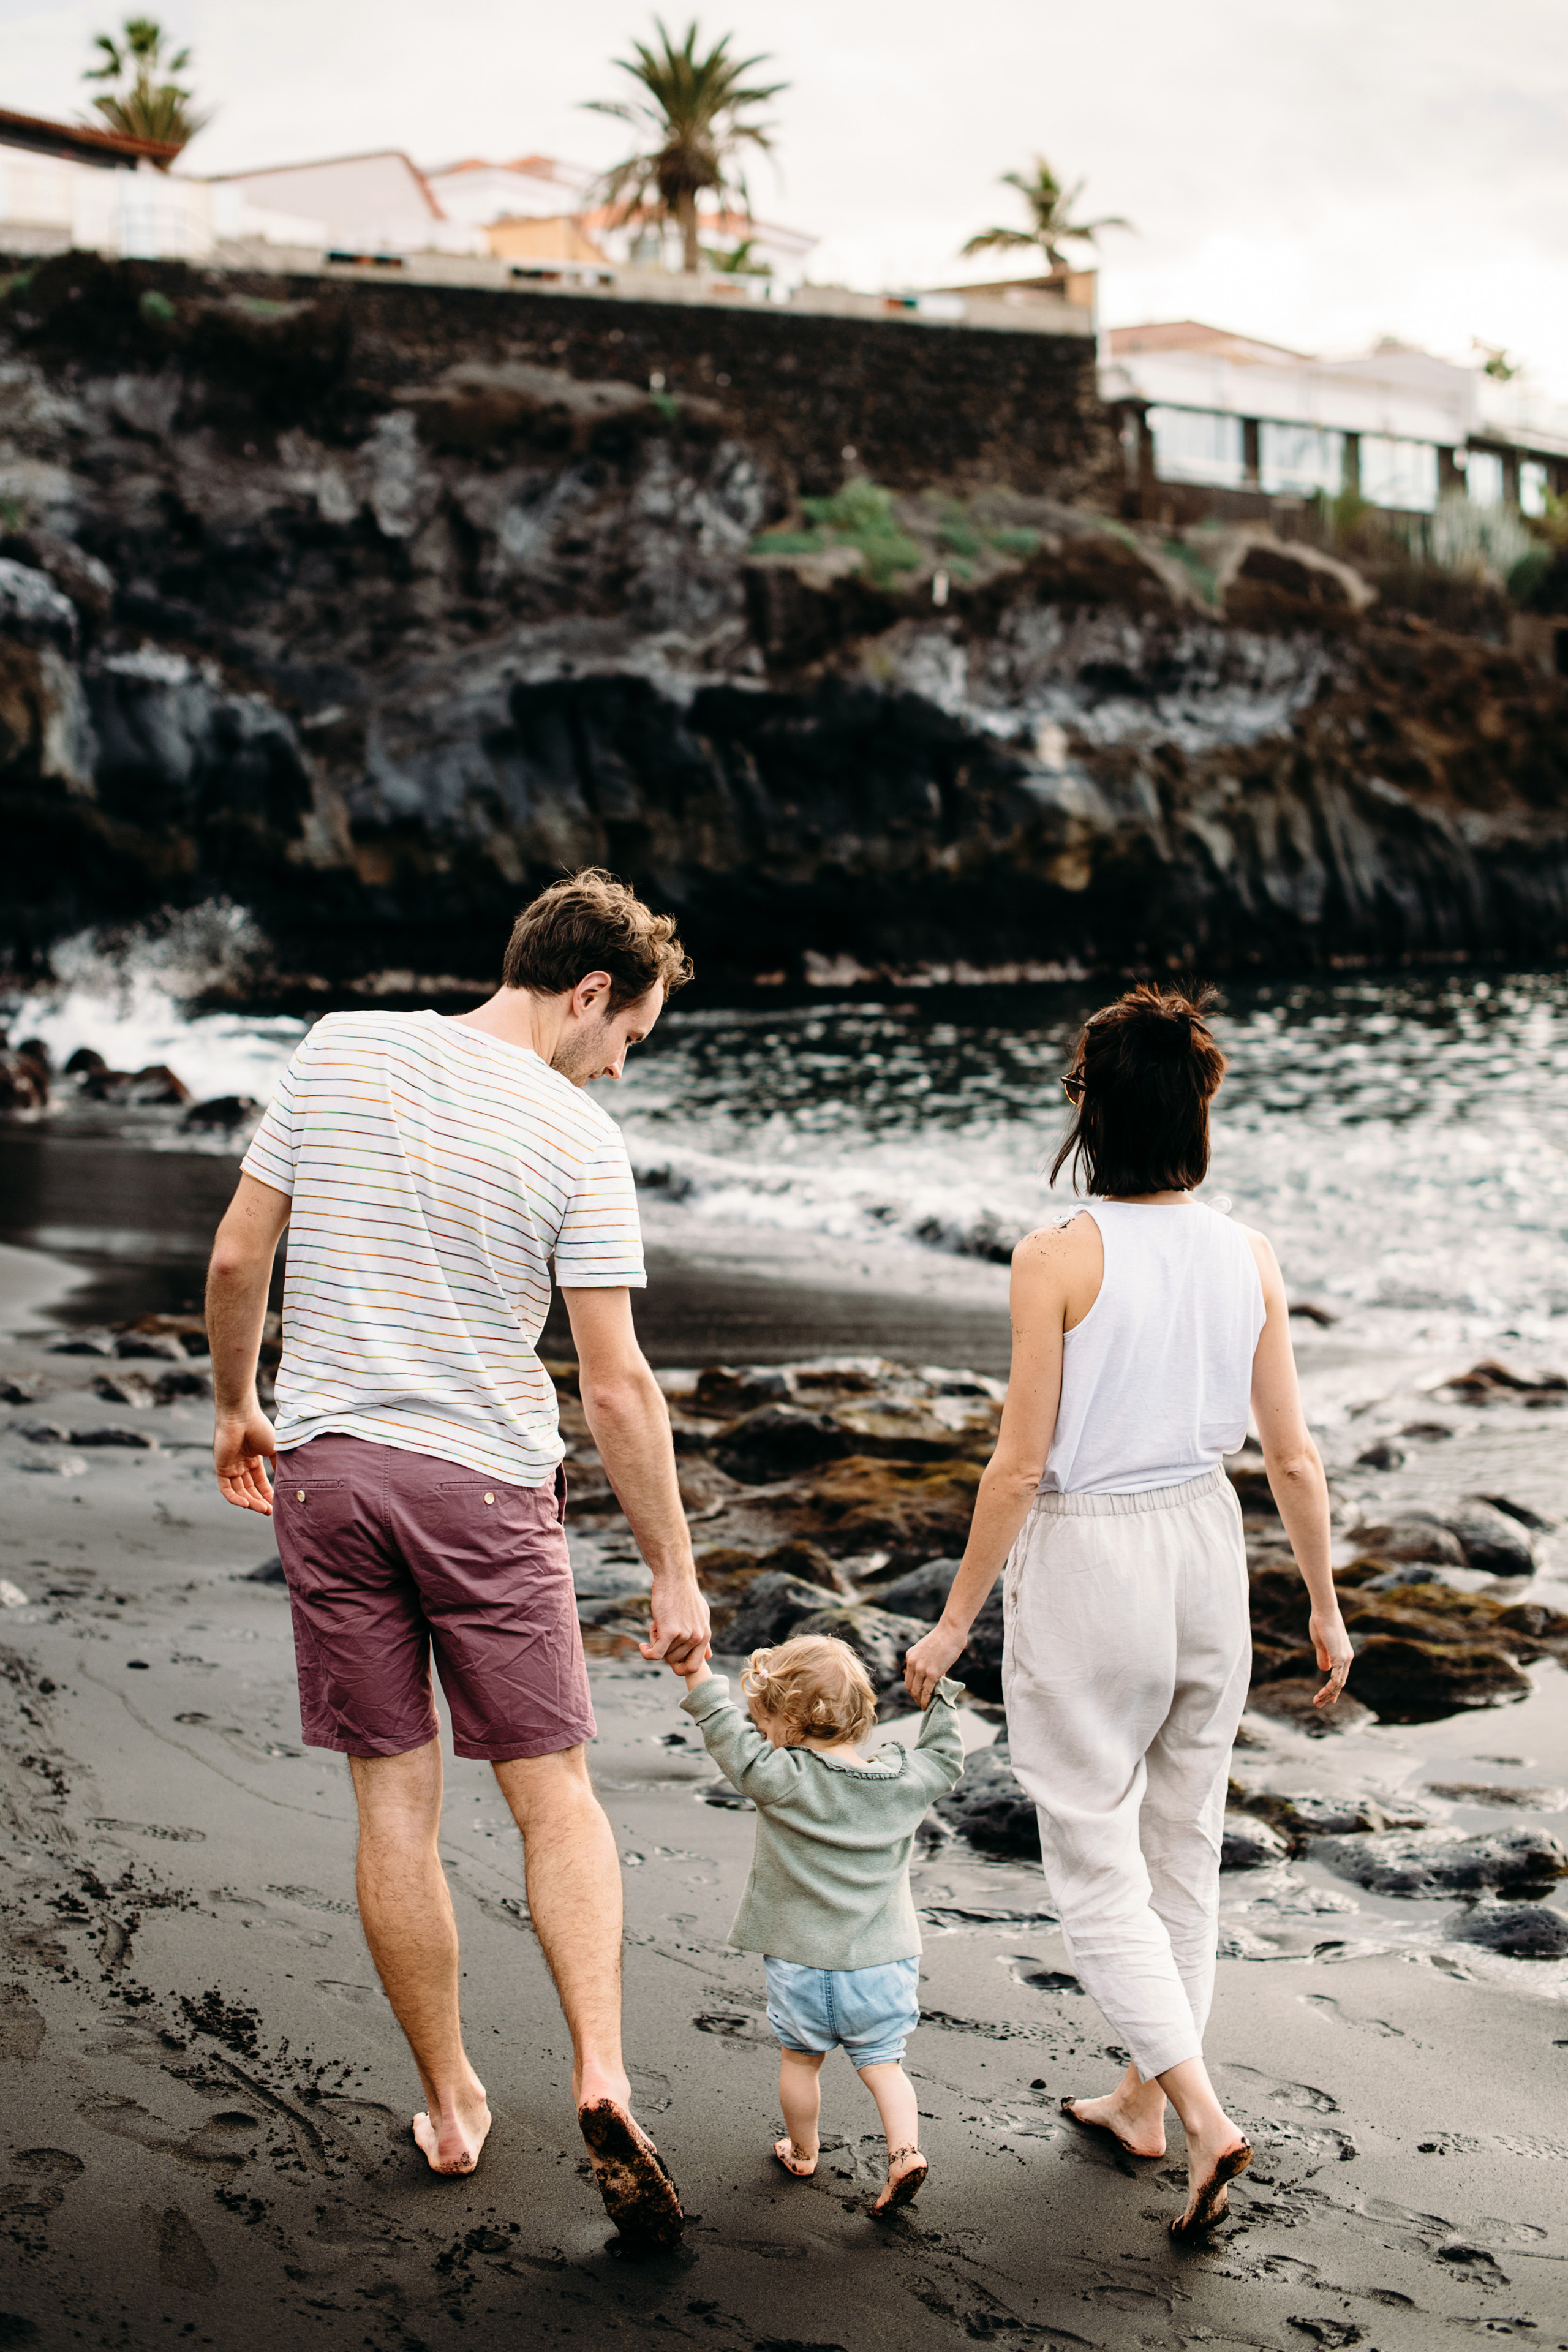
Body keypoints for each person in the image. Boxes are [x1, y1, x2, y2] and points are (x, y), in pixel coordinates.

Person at [204, 868, 710, 2253]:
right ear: (589, 991)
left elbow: (240, 1256)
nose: (618, 1067)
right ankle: (600, 2076)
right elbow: (615, 1384)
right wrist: (672, 1568)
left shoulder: (338, 1047)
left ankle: (449, 2100)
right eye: (628, 1037)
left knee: (394, 1804)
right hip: (483, 1487)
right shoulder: (576, 1138)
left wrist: (237, 1405)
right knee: (554, 1798)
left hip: (329, 1475)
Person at [903, 982, 1354, 2241]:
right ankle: (1141, 2103)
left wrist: (952, 1624)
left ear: (1090, 1112)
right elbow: (1293, 1456)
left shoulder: (1055, 1255)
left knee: (1095, 1853)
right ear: (1196, 1113)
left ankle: (1201, 2115)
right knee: (1182, 1844)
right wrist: (1325, 1608)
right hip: (1207, 1548)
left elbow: (1016, 1466)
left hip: (1090, 1555)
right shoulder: (1247, 1253)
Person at [677, 1633, 965, 2215]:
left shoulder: (781, 1776)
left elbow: (726, 1735)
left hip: (802, 1961)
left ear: (788, 1719)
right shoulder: (904, 1781)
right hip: (883, 1963)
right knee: (884, 2066)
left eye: (764, 1721)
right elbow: (944, 1758)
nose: (760, 1733)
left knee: (800, 2061)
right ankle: (904, 2152)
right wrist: (941, 1698)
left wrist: (695, 1674)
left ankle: (804, 2152)